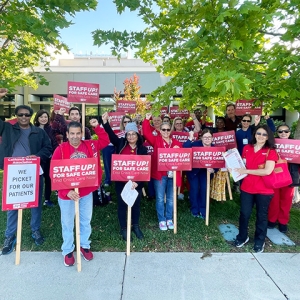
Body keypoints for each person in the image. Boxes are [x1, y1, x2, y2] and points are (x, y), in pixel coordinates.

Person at [51, 120, 109, 267]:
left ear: (82, 134)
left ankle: (84, 245)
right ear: (67, 134)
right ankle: (68, 250)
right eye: (72, 134)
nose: (75, 136)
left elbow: (105, 140)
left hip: (85, 192)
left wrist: (97, 127)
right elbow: (54, 172)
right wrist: (65, 191)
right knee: (68, 222)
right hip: (67, 195)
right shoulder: (61, 150)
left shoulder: (90, 145)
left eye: (78, 133)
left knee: (85, 220)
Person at [0, 104, 52, 255]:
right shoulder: (7, 128)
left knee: (35, 203)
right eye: (20, 115)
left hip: (33, 171)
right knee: (13, 204)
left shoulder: (38, 132)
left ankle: (35, 230)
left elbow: (48, 148)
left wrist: (37, 156)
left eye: (27, 115)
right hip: (13, 172)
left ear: (30, 116)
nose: (24, 117)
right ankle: (10, 235)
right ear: (16, 116)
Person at [102, 112, 148, 240]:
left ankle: (135, 226)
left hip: (136, 183)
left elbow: (145, 168)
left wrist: (137, 182)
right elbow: (111, 136)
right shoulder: (120, 143)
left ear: (137, 135)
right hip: (121, 181)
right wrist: (105, 123)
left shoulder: (143, 149)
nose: (131, 136)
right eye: (128, 134)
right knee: (122, 204)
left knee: (136, 205)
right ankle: (123, 228)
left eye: (133, 134)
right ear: (126, 135)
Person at [233, 125, 277, 253]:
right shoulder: (247, 148)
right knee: (244, 214)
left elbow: (267, 171)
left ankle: (259, 241)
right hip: (247, 187)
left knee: (261, 216)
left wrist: (246, 170)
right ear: (255, 134)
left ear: (268, 137)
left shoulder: (271, 151)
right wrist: (233, 167)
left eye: (264, 134)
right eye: (259, 133)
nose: (261, 136)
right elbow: (241, 164)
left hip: (264, 190)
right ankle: (242, 237)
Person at [142, 113, 182, 230]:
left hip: (172, 175)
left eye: (168, 129)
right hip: (160, 175)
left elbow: (182, 157)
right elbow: (146, 132)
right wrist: (146, 119)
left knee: (170, 198)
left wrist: (178, 150)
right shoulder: (156, 140)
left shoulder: (176, 143)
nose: (165, 131)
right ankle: (161, 220)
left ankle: (169, 218)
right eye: (163, 129)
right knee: (160, 198)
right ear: (160, 130)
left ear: (171, 130)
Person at [268, 124, 300, 233]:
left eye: (286, 131)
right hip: (275, 177)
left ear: (289, 133)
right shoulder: (272, 145)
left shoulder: (296, 146)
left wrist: (297, 186)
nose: (283, 133)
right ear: (277, 133)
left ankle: (283, 222)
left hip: (289, 178)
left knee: (286, 202)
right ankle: (272, 220)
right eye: (280, 131)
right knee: (274, 200)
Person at [183, 129, 216, 218]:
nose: (207, 139)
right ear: (201, 138)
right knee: (194, 190)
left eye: (209, 137)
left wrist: (214, 170)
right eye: (205, 137)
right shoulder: (195, 144)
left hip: (206, 172)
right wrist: (190, 139)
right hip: (194, 171)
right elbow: (185, 149)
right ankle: (195, 210)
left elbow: (218, 161)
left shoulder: (215, 148)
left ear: (212, 138)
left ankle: (203, 210)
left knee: (204, 190)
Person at [33, 109, 58, 207]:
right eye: (41, 117)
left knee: (48, 179)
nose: (43, 119)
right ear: (37, 118)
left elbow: (54, 143)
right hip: (36, 159)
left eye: (45, 117)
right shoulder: (32, 129)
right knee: (37, 180)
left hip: (49, 158)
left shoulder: (51, 129)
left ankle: (47, 199)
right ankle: (35, 199)